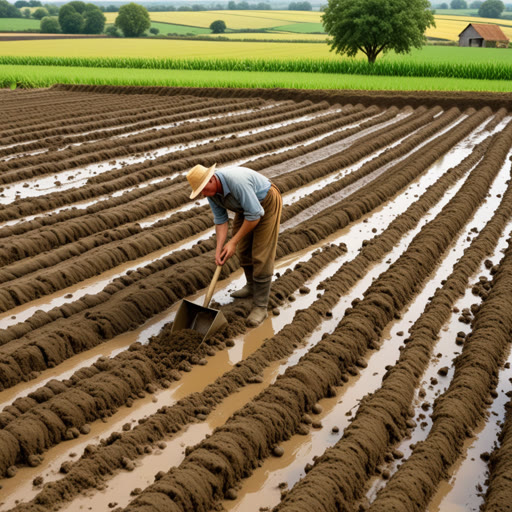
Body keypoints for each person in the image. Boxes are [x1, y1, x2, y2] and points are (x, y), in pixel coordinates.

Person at [186, 163, 282, 327]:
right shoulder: (212, 193)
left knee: (261, 253)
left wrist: (232, 242)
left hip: (265, 202)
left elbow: (255, 215)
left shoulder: (236, 182)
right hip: (246, 208)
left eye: (203, 190)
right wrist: (219, 250)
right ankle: (251, 286)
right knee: (244, 250)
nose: (202, 195)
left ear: (211, 180)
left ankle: (260, 306)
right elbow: (221, 221)